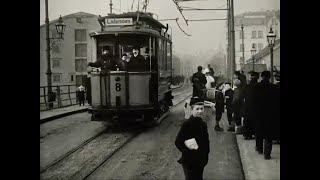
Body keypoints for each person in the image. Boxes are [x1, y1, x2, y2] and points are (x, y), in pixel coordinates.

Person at [175, 97, 210, 180]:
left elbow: (206, 142)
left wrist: (206, 156)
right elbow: (178, 142)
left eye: (202, 109)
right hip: (189, 161)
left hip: (200, 161)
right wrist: (187, 151)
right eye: (197, 109)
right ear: (191, 110)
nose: (200, 111)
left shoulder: (203, 124)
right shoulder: (187, 124)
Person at [255, 71, 278, 159]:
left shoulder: (256, 87)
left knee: (259, 132)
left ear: (261, 76)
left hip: (259, 114)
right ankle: (267, 153)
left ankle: (259, 148)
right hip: (270, 114)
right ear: (269, 77)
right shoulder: (274, 87)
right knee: (269, 135)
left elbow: (254, 101)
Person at [243, 71, 259, 140]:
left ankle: (247, 134)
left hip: (248, 107)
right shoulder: (259, 86)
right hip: (256, 107)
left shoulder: (247, 87)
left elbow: (243, 96)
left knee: (247, 120)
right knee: (256, 121)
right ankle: (255, 133)